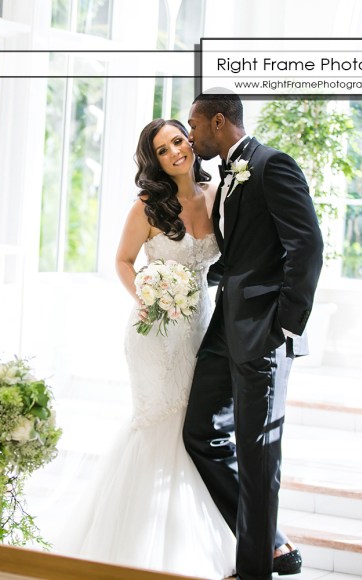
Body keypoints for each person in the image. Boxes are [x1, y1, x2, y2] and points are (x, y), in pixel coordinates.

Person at [57, 119, 235, 578]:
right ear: (154, 161)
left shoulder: (216, 194)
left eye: (177, 141)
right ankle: (137, 551)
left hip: (200, 329)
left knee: (193, 429)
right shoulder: (148, 206)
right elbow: (122, 260)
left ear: (190, 142)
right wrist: (148, 295)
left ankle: (194, 542)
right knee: (161, 423)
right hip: (154, 333)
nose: (175, 152)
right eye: (162, 150)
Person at [183, 93, 324, 580]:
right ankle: (272, 543)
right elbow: (239, 252)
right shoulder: (225, 174)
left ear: (219, 121)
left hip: (264, 333)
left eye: (194, 125)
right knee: (199, 432)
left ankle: (254, 571)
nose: (191, 135)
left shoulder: (271, 165)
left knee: (258, 456)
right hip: (226, 325)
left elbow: (307, 246)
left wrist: (284, 325)